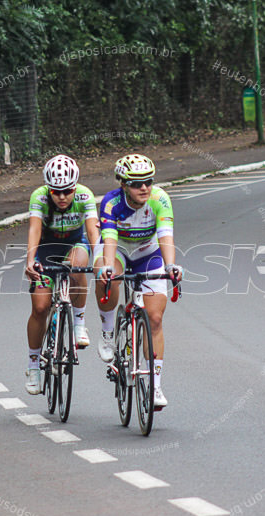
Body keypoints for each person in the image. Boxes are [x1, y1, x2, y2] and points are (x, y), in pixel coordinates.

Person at [93, 154, 180, 410]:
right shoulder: (111, 202)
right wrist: (107, 268)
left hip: (147, 252)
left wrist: (171, 265)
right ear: (123, 184)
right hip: (118, 250)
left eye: (148, 181)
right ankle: (108, 331)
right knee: (107, 277)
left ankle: (155, 386)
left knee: (154, 318)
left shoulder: (159, 199)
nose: (144, 188)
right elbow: (108, 238)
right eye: (136, 183)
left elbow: (165, 234)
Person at [24, 155, 99, 394]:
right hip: (45, 250)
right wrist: (30, 261)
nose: (63, 196)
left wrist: (101, 260)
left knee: (77, 266)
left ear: (75, 187)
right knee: (40, 307)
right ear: (49, 189)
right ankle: (34, 365)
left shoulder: (85, 196)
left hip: (75, 245)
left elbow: (93, 231)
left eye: (67, 191)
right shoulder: (39, 197)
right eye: (57, 192)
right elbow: (35, 228)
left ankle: (79, 323)